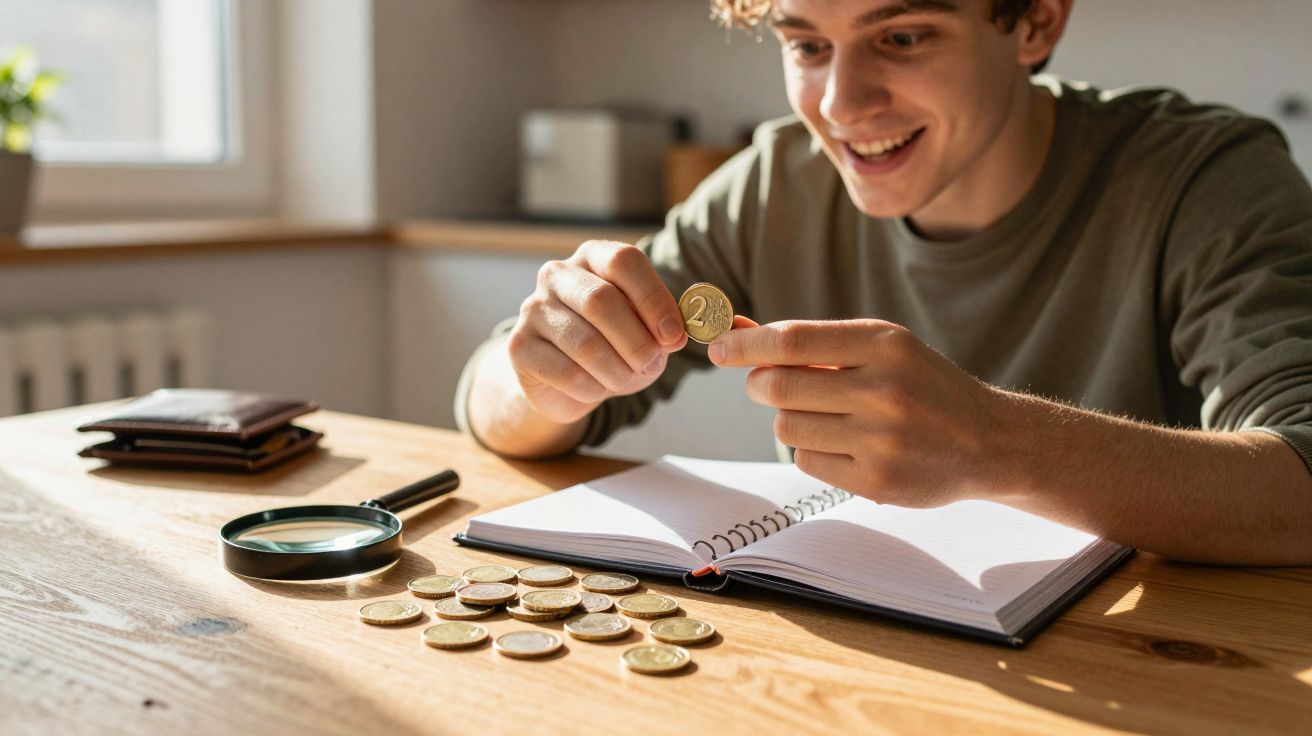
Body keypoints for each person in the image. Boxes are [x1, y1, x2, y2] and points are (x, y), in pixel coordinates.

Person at [456, 0, 1312, 565]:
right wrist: (542, 369)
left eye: (901, 37)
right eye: (807, 46)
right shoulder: (773, 183)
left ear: (1036, 21)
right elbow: (495, 404)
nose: (839, 104)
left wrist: (997, 442)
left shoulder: (1206, 177)